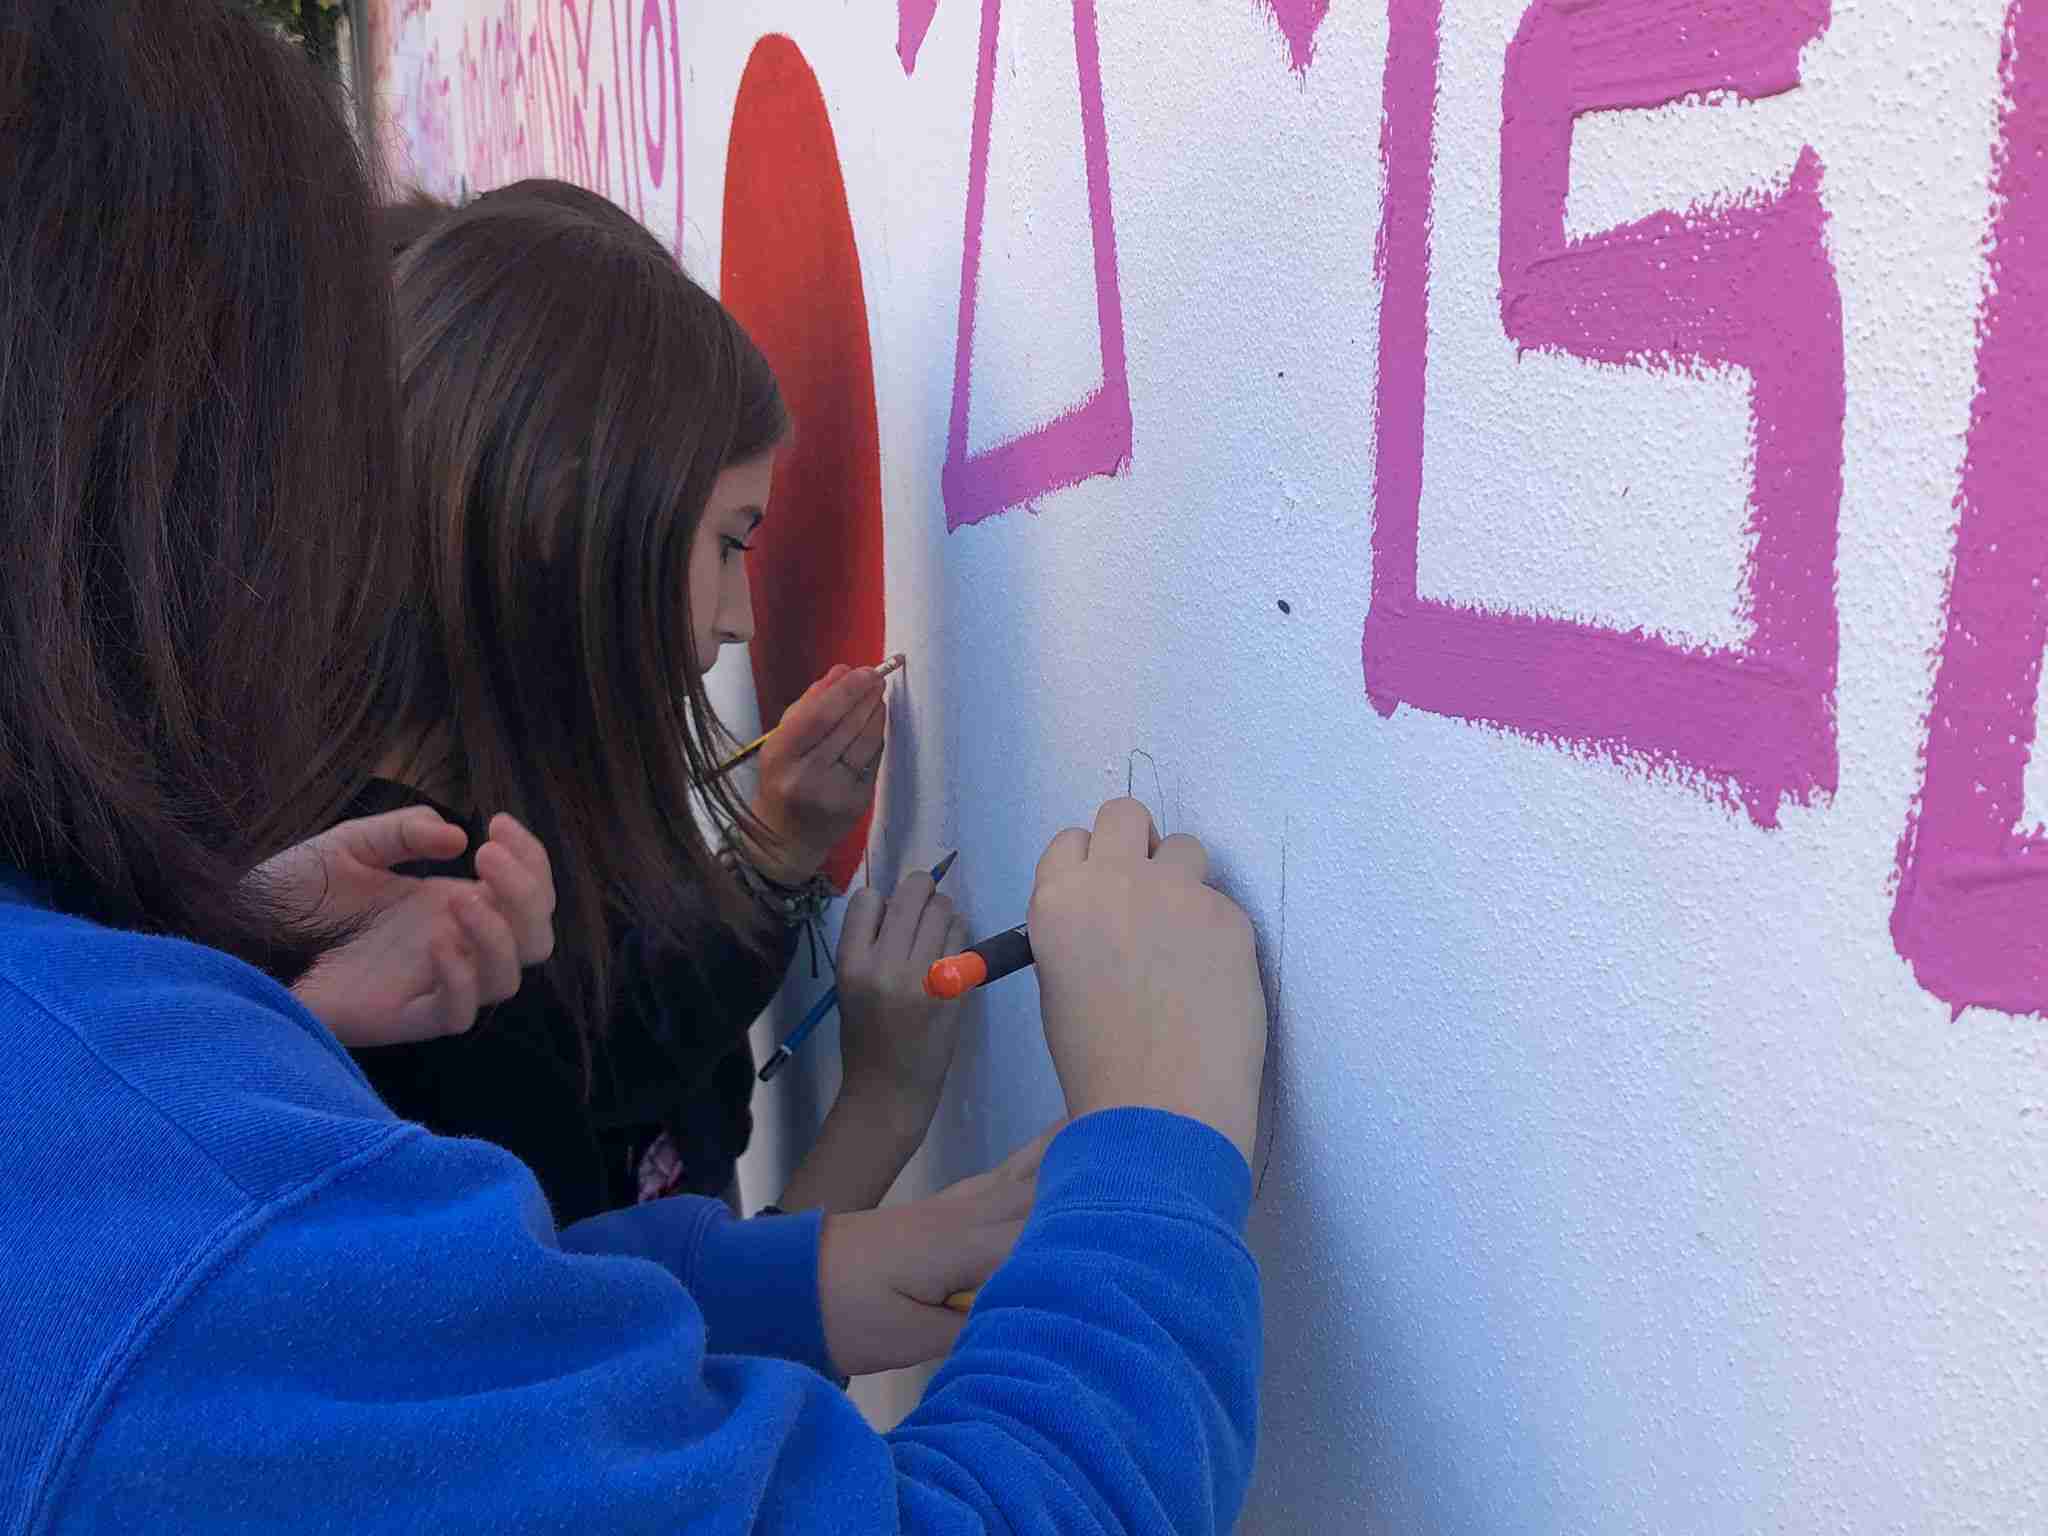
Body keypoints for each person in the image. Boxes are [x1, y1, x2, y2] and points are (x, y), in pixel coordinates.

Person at [0, 2, 1270, 1530]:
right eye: (729, 542)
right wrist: (1158, 1146)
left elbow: (502, 1304)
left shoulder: (188, 1030)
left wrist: (800, 1264)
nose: (343, 520)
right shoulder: (190, 1225)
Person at [324, 183, 964, 1222]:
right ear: (569, 517)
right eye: (729, 542)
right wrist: (882, 1109)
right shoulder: (430, 961)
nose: (741, 621)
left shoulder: (475, 821)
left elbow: (617, 1034)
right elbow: (652, 1333)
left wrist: (773, 854)